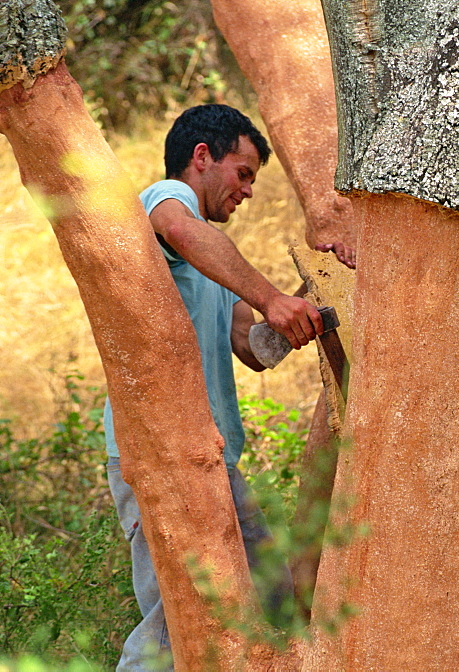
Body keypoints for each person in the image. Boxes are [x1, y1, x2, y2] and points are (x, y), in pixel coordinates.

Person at [103, 104, 339, 670]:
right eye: (244, 173)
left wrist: (316, 305)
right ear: (202, 157)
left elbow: (253, 349)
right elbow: (180, 230)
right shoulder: (168, 200)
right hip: (162, 454)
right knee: (175, 621)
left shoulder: (209, 261)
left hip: (212, 458)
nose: (249, 191)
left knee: (274, 594)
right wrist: (272, 298)